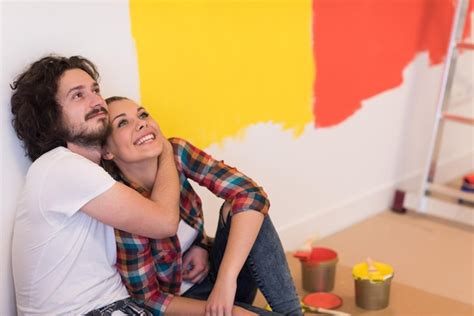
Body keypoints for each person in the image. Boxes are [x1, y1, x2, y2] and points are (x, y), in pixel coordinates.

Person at [9, 55, 182, 315]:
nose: (98, 101)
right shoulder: (61, 167)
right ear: (50, 117)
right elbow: (164, 222)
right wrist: (167, 151)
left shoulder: (94, 172)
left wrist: (200, 246)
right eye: (78, 95)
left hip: (119, 306)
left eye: (95, 90)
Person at [101, 96, 303, 315]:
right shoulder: (121, 203)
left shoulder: (175, 152)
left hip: (219, 281)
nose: (141, 122)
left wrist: (222, 274)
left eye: (142, 114)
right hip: (181, 306)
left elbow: (250, 194)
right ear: (107, 151)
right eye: (122, 122)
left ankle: (293, 312)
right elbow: (149, 300)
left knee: (240, 209)